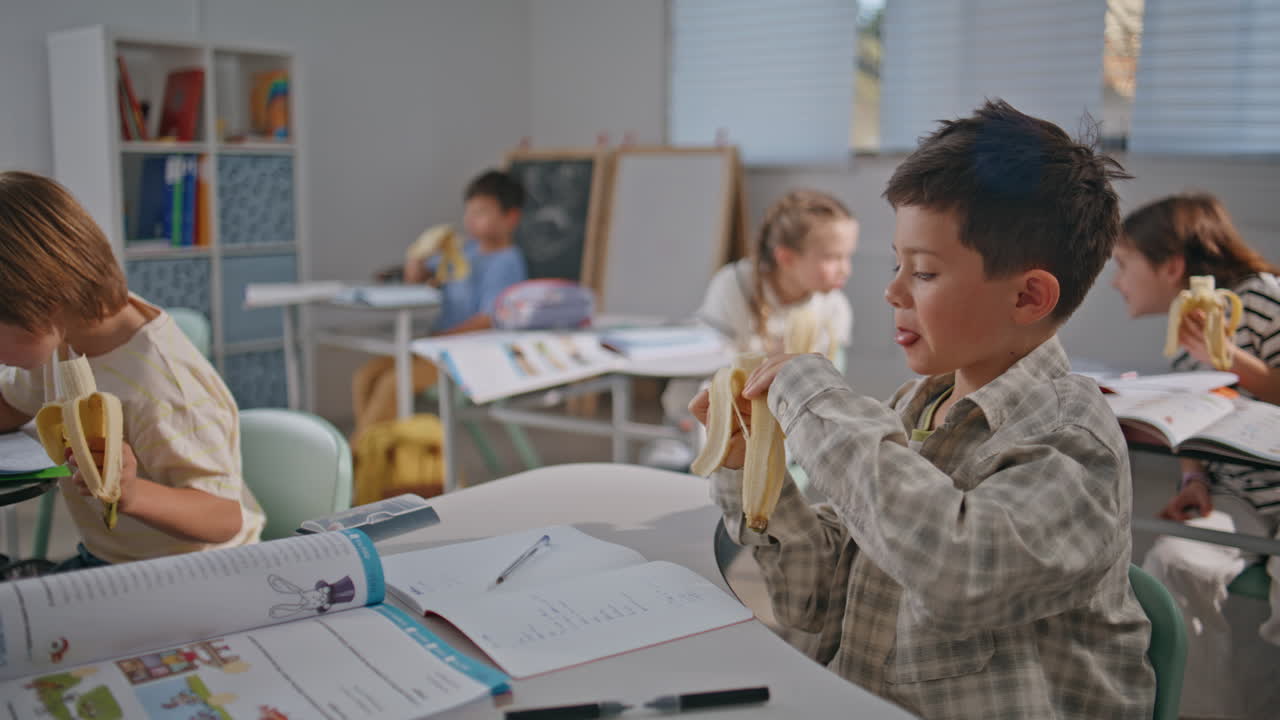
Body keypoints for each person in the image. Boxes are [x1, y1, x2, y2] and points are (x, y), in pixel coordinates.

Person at [690, 100, 1154, 719]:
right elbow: (818, 607)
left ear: (1028, 295)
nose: (892, 290)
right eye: (897, 263)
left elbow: (958, 570)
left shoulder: (1073, 442)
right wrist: (760, 480)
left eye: (925, 272)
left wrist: (817, 401)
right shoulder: (912, 408)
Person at [0, 171, 264, 569]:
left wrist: (132, 493)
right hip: (109, 557)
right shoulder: (62, 340)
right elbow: (13, 404)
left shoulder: (162, 382)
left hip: (195, 574)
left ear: (42, 301)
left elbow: (224, 518)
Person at [1112, 192, 1280, 719]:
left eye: (1122, 265)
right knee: (1173, 560)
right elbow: (1196, 419)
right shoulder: (1186, 339)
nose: (1117, 282)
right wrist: (1194, 481)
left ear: (1172, 266)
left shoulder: (1262, 297)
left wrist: (1233, 361)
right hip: (1241, 497)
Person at [647, 190, 856, 469]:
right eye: (832, 258)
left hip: (780, 425)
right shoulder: (733, 285)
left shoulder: (834, 307)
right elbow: (712, 369)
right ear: (786, 257)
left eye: (847, 256)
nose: (845, 270)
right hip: (702, 419)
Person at [351, 170, 528, 436]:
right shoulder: (463, 251)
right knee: (365, 377)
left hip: (465, 355)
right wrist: (418, 256)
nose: (470, 220)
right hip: (436, 347)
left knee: (392, 384)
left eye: (481, 212)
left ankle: (361, 458)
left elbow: (489, 321)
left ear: (510, 217)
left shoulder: (507, 262)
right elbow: (417, 281)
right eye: (469, 212)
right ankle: (379, 455)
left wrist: (438, 340)